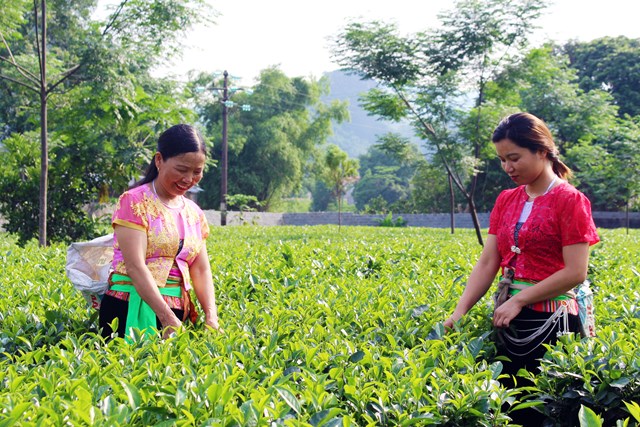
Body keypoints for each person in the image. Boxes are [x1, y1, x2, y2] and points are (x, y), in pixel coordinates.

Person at [443, 113, 599, 422]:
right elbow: (489, 261)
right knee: (508, 408)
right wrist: (459, 311)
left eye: (514, 158)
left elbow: (575, 271)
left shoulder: (571, 201)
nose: (507, 168)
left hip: (551, 322)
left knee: (537, 411)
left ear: (542, 151)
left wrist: (519, 300)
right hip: (508, 318)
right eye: (502, 160)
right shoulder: (506, 200)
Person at [99, 124, 221, 340]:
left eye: (197, 172)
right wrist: (165, 317)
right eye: (182, 170)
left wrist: (211, 317)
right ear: (159, 161)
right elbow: (135, 266)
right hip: (129, 307)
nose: (188, 179)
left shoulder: (194, 212)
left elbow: (201, 270)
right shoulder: (135, 202)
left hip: (177, 311)